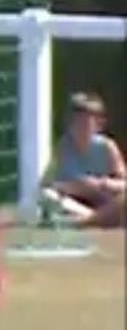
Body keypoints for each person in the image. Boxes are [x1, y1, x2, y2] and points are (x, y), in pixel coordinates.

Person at [40, 92, 126, 229]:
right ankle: (94, 219)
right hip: (76, 204)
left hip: (104, 202)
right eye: (76, 120)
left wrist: (103, 184)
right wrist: (75, 186)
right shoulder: (63, 147)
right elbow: (47, 184)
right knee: (48, 196)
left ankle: (84, 221)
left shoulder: (107, 147)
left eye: (86, 121)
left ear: (99, 125)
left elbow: (123, 183)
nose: (80, 126)